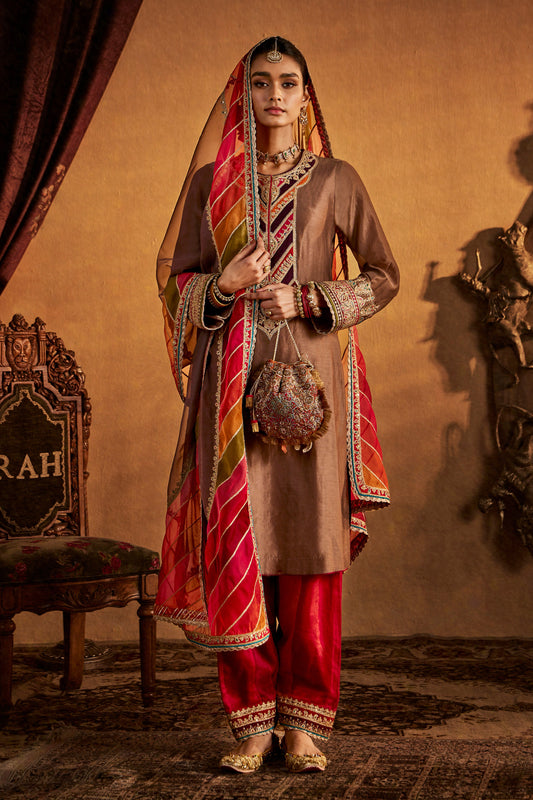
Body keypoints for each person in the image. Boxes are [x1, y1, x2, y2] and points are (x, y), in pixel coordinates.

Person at [155, 36, 399, 774]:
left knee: (311, 552)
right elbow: (177, 282)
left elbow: (383, 275)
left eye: (288, 83)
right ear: (244, 94)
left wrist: (310, 298)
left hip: (313, 392)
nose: (274, 96)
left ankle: (304, 723)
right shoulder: (212, 184)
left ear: (304, 95)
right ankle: (252, 724)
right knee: (242, 545)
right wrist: (222, 285)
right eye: (261, 83)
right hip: (230, 393)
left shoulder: (336, 178)